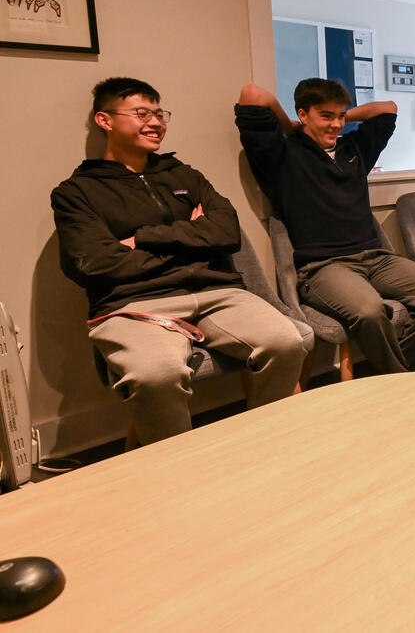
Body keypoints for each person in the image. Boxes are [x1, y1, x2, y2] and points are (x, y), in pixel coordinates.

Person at [52, 77, 307, 445]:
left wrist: (143, 238)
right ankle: (176, 469)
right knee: (156, 374)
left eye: (159, 113)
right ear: (105, 121)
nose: (155, 122)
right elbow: (92, 264)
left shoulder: (182, 174)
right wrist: (190, 238)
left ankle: (263, 444)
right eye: (142, 113)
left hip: (216, 293)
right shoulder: (76, 193)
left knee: (285, 342)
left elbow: (226, 233)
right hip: (133, 305)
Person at [235, 80, 415, 374]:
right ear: (303, 113)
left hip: (376, 259)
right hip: (325, 267)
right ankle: (401, 377)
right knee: (369, 311)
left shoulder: (354, 150)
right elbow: (253, 94)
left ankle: (393, 370)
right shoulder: (281, 157)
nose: (336, 124)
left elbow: (388, 109)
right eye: (326, 116)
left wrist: (342, 116)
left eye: (340, 116)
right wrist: (288, 126)